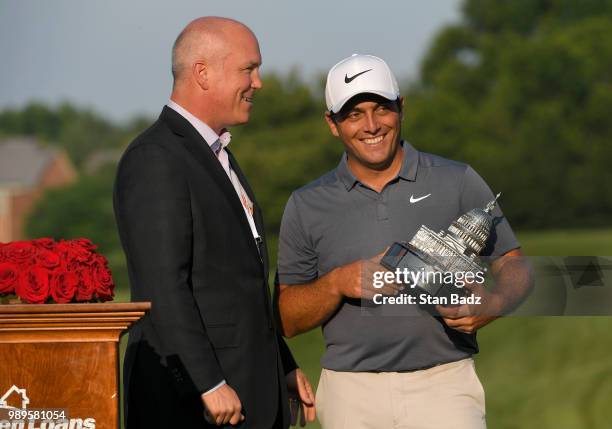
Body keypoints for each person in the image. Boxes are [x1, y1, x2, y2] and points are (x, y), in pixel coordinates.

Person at [275, 54, 533, 429]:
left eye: (382, 108)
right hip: (350, 393)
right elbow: (285, 318)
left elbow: (516, 267)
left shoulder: (457, 179)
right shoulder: (306, 204)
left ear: (401, 108)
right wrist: (336, 283)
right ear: (332, 124)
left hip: (444, 384)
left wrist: (493, 302)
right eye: (353, 114)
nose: (371, 125)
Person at [113, 17, 315, 429]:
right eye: (248, 69)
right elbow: (163, 285)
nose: (258, 82)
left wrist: (282, 366)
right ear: (202, 73)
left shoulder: (217, 154)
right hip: (196, 406)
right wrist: (207, 383)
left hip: (245, 393)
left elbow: (239, 288)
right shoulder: (157, 158)